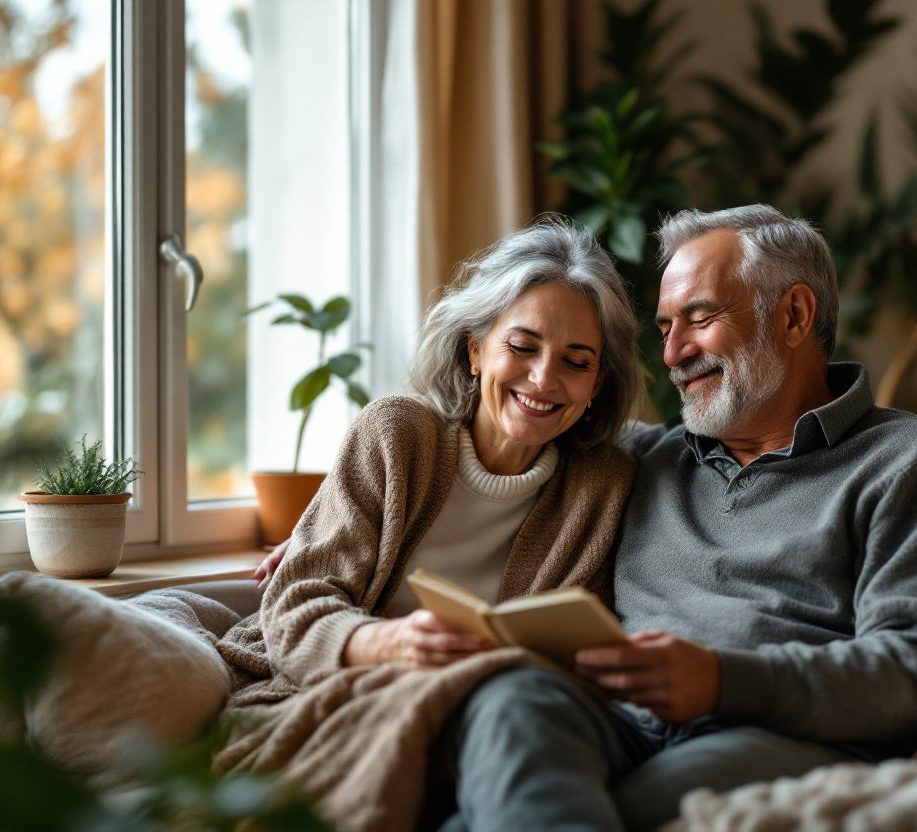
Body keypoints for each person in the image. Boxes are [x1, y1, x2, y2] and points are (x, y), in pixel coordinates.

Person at [437, 205, 917, 832]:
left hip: (780, 736)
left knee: (599, 812)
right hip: (618, 722)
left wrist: (720, 681)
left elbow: (913, 672)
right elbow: (513, 420)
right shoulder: (640, 459)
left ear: (794, 315)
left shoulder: (916, 463)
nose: (674, 352)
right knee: (509, 702)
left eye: (700, 318)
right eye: (664, 327)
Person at [213, 219, 643, 829]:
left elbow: (579, 655)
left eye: (576, 362)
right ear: (475, 348)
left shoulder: (605, 487)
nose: (544, 379)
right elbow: (296, 603)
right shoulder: (396, 436)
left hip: (485, 723)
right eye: (521, 347)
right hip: (337, 693)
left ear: (596, 385)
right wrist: (386, 642)